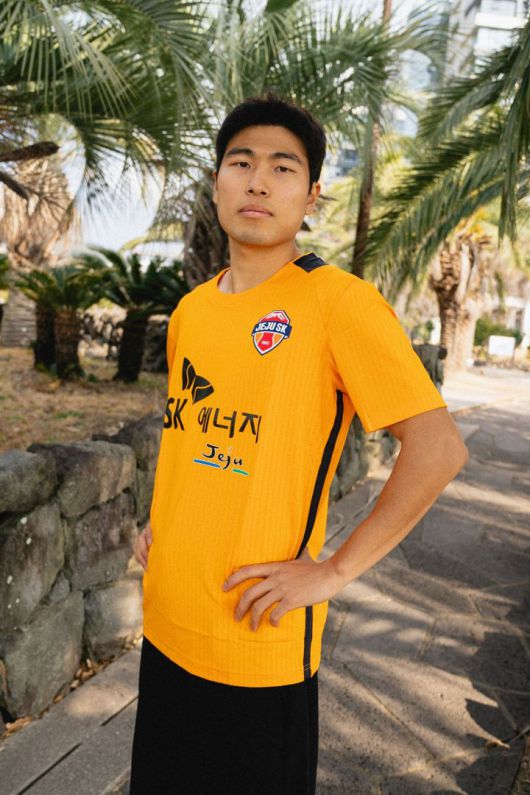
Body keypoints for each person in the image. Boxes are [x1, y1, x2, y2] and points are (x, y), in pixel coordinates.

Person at [129, 92, 469, 794]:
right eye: (241, 162)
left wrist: (334, 571)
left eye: (283, 167)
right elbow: (192, 430)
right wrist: (162, 521)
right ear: (216, 183)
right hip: (166, 625)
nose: (258, 181)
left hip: (258, 644)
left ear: (312, 195)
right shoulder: (192, 310)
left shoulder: (338, 302)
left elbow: (438, 450)